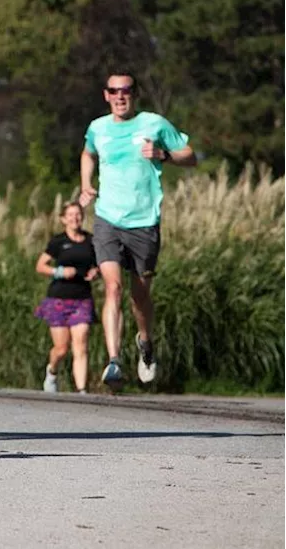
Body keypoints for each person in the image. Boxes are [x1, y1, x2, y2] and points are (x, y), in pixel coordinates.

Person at [79, 72, 195, 391]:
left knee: (139, 295)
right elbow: (88, 153)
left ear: (135, 94)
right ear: (106, 95)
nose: (120, 96)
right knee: (112, 288)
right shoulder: (98, 128)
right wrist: (87, 184)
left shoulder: (154, 123)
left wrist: (164, 155)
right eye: (114, 90)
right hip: (107, 220)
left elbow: (190, 155)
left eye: (126, 90)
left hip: (144, 221)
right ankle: (114, 360)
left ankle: (145, 342)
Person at [34, 202, 98, 393]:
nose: (74, 218)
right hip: (58, 299)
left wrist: (96, 272)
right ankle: (52, 371)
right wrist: (60, 271)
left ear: (83, 216)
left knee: (81, 344)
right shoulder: (58, 242)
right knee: (61, 348)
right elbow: (40, 266)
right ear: (63, 219)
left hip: (82, 298)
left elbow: (100, 265)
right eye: (70, 215)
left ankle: (81, 390)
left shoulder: (91, 241)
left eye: (78, 214)